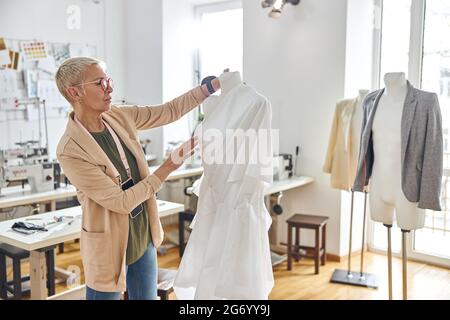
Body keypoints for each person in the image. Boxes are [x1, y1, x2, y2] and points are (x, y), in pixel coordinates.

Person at [55, 57, 220, 300]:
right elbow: (120, 202)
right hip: (108, 242)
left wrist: (208, 89)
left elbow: (168, 111)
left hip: (143, 233)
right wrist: (168, 167)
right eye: (100, 83)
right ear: (74, 92)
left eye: (108, 80)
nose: (109, 87)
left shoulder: (119, 116)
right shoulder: (70, 149)